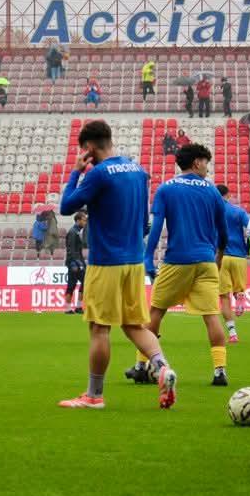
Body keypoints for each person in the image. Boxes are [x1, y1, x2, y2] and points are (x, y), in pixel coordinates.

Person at [58, 120, 177, 410]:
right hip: (134, 261)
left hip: (106, 262)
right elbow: (144, 221)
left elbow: (66, 206)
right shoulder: (138, 170)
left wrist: (76, 172)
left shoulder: (98, 174)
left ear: (88, 148)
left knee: (99, 329)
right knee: (134, 325)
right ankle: (162, 367)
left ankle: (94, 395)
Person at [136, 144, 230, 386]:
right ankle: (220, 371)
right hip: (206, 261)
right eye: (206, 162)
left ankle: (141, 366)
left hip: (177, 260)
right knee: (211, 316)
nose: (207, 167)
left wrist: (148, 257)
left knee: (156, 312)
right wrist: (218, 257)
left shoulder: (166, 188)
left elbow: (157, 227)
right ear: (197, 162)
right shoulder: (213, 191)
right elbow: (224, 232)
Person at [217, 184, 250, 344]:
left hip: (221, 257)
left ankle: (232, 333)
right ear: (228, 195)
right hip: (239, 256)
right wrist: (248, 246)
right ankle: (239, 294)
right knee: (238, 288)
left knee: (224, 297)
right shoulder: (238, 211)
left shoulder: (213, 211)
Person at [64, 212, 87, 314]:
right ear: (78, 220)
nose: (85, 222)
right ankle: (68, 308)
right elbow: (71, 250)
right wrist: (77, 263)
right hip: (74, 263)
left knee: (85, 282)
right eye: (83, 220)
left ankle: (78, 306)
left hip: (78, 262)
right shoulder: (73, 232)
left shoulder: (77, 231)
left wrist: (82, 263)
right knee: (72, 284)